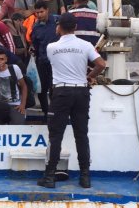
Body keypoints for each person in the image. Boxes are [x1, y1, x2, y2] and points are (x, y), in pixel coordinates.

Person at [38, 13, 107, 189]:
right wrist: (89, 77)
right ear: (75, 27)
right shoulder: (85, 45)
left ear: (58, 27)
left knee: (56, 136)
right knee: (81, 135)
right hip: (81, 91)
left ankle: (50, 176)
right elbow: (101, 64)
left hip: (61, 92)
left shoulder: (52, 47)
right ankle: (85, 177)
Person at [30, 1, 60, 116]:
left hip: (57, 62)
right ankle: (45, 112)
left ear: (47, 10)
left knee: (55, 89)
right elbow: (35, 44)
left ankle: (55, 112)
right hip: (42, 61)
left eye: (41, 12)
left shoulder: (58, 21)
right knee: (41, 89)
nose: (39, 15)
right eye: (37, 12)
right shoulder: (36, 26)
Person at [0, 48, 27, 125]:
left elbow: (24, 86)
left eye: (2, 59)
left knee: (18, 125)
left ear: (6, 59)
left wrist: (22, 104)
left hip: (15, 104)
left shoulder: (14, 68)